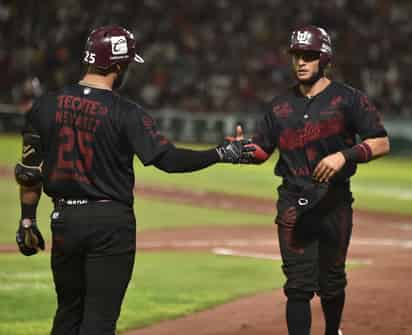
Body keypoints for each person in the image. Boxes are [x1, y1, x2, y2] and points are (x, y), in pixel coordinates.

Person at [14, 25, 253, 335]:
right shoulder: (126, 113)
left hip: (65, 220)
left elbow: (29, 172)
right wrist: (221, 152)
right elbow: (167, 160)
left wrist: (27, 222)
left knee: (67, 316)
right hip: (110, 224)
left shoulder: (44, 105)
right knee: (99, 321)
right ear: (117, 64)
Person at [237, 25, 390, 335]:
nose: (301, 62)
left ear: (324, 59)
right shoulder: (279, 105)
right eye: (296, 56)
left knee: (332, 282)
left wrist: (344, 156)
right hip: (293, 201)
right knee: (297, 286)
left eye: (309, 56)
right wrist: (240, 149)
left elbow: (381, 142)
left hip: (334, 201)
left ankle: (332, 331)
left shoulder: (348, 99)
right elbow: (263, 151)